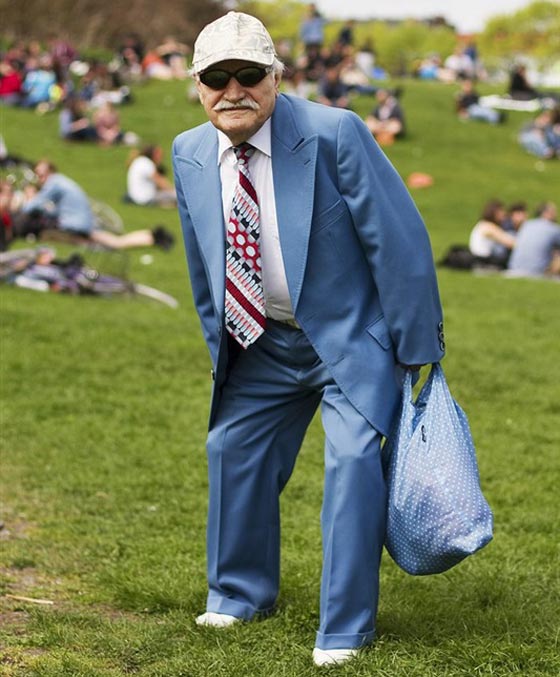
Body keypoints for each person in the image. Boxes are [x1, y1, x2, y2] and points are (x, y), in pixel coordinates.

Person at [172, 12, 445, 668]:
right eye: (216, 77)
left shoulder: (334, 132)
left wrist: (417, 349)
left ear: (276, 76)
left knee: (351, 464)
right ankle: (238, 593)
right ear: (197, 85)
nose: (232, 90)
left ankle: (344, 629)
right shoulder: (188, 151)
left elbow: (398, 239)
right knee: (230, 446)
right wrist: (222, 344)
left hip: (348, 337)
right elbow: (202, 261)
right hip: (258, 340)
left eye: (248, 74)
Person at [12, 160, 174, 250]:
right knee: (115, 242)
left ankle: (154, 237)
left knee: (100, 246)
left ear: (51, 172)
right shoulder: (62, 181)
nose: (39, 178)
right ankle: (151, 236)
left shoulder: (54, 183)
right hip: (82, 221)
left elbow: (33, 206)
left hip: (74, 225)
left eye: (41, 174)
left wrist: (23, 203)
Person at [507, 202, 560, 278]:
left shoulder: (526, 224)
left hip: (512, 269)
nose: (556, 214)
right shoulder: (554, 228)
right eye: (554, 212)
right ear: (547, 213)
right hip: (536, 273)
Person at [468, 199, 516, 268]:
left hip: (479, 258)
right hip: (483, 260)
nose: (504, 215)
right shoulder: (488, 226)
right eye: (501, 212)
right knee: (511, 234)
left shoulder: (483, 224)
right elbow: (510, 243)